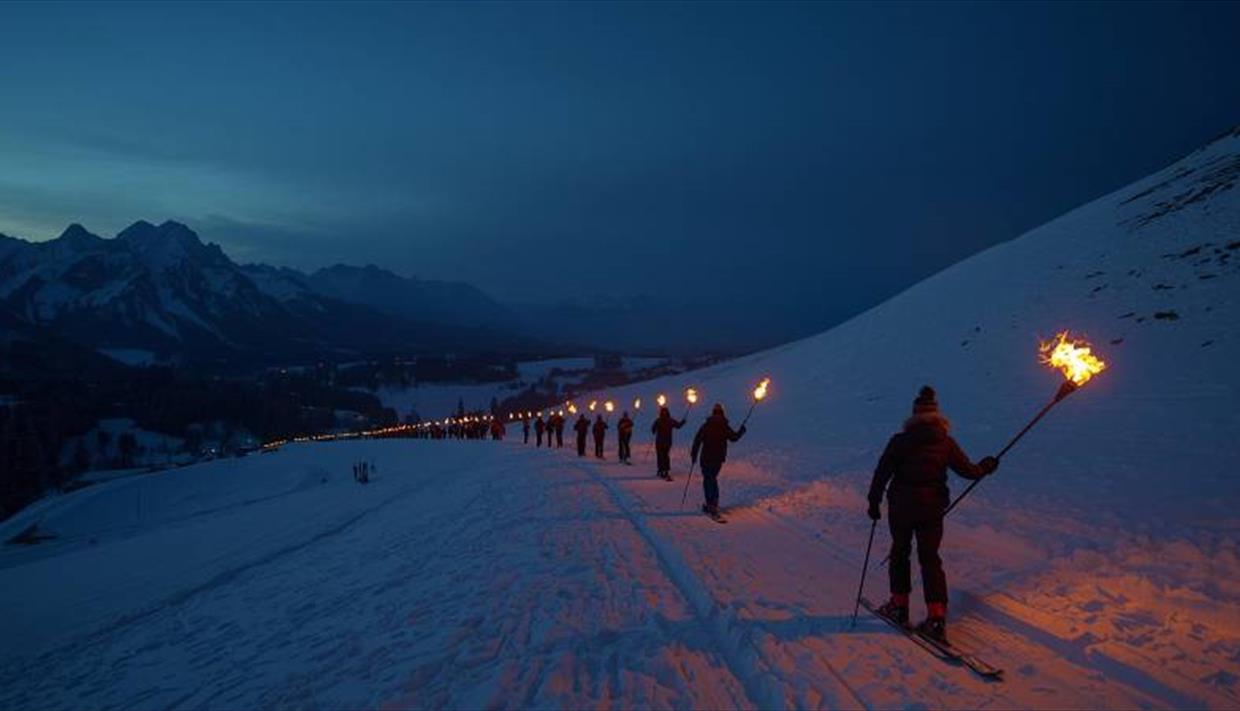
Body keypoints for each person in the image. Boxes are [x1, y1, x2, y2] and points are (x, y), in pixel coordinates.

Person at [867, 386, 998, 644]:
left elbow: (882, 473)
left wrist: (874, 501)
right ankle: (936, 618)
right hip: (931, 508)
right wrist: (986, 466)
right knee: (930, 558)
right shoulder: (945, 442)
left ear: (914, 416)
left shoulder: (900, 441)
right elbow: (969, 471)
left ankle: (899, 606)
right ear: (936, 416)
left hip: (902, 507)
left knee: (900, 553)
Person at [690, 403, 746, 517]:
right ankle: (713, 502)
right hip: (718, 459)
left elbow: (697, 441)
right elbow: (734, 438)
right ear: (722, 413)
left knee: (708, 479)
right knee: (713, 478)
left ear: (713, 412)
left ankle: (711, 504)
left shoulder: (706, 425)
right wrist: (741, 430)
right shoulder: (724, 426)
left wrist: (694, 455)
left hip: (706, 458)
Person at [650, 406, 686, 480]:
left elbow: (653, 429)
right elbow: (678, 425)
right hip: (665, 442)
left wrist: (654, 430)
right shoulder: (668, 420)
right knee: (664, 456)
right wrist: (683, 422)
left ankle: (662, 470)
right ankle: (664, 470)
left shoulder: (660, 420)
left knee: (661, 456)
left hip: (662, 442)